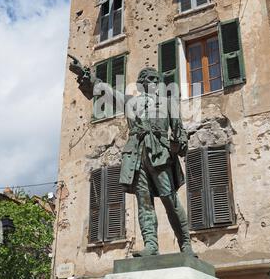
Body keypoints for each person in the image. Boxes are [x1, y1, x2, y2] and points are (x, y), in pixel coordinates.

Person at [69, 56, 196, 257]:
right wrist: (83, 74)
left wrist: (177, 145)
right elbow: (105, 92)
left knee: (170, 201)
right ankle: (151, 245)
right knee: (144, 203)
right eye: (150, 79)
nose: (155, 82)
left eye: (157, 79)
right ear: (141, 84)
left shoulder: (168, 103)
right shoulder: (130, 103)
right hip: (136, 156)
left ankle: (186, 244)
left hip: (160, 154)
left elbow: (180, 135)